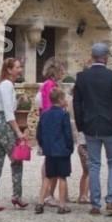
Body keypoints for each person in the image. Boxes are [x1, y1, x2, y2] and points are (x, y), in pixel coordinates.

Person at [73, 43, 112, 216]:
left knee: (94, 165)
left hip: (91, 126)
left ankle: (95, 204)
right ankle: (110, 201)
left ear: (92, 56)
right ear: (105, 57)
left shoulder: (82, 77)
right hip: (111, 126)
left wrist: (81, 125)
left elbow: (77, 104)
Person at [0, 57, 28, 211]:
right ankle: (17, 196)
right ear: (9, 70)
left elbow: (1, 105)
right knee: (17, 160)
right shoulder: (8, 85)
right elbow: (9, 113)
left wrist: (17, 98)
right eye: (17, 67)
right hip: (4, 123)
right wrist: (18, 132)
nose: (20, 70)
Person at [34, 61, 68, 209]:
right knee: (50, 165)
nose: (63, 74)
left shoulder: (50, 84)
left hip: (49, 131)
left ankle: (49, 194)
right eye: (62, 71)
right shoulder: (49, 85)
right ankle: (48, 195)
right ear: (56, 72)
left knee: (49, 163)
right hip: (52, 132)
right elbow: (49, 107)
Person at [35, 86, 74, 214]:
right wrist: (70, 147)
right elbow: (68, 133)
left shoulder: (45, 114)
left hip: (49, 150)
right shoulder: (64, 115)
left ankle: (40, 202)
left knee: (48, 176)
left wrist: (43, 145)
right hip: (62, 150)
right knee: (62, 177)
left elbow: (39, 133)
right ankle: (62, 205)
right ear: (61, 99)